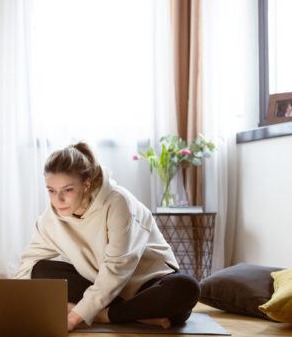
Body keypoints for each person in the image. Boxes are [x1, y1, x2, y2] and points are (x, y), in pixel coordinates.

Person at [15, 142, 199, 331]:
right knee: (40, 270)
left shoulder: (118, 202)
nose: (58, 200)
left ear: (86, 184)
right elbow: (30, 262)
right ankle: (129, 314)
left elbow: (115, 271)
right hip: (103, 287)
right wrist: (15, 304)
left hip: (147, 286)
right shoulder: (52, 216)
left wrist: (74, 318)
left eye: (67, 190)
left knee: (187, 288)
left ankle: (105, 315)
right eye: (51, 191)